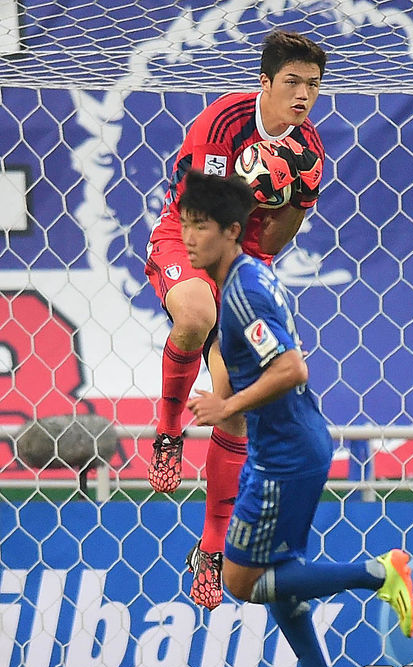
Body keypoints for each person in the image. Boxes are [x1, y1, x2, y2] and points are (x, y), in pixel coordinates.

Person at [182, 169, 413, 667]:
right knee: (278, 568)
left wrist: (226, 406)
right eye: (186, 225)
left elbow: (291, 368)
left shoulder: (243, 293)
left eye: (201, 226)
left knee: (240, 581)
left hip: (285, 455)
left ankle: (379, 573)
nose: (189, 237)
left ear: (232, 230)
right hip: (284, 444)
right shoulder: (246, 279)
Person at [145, 30, 327, 610]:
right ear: (265, 83)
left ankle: (211, 550)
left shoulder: (309, 149)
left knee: (235, 403)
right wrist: (254, 186)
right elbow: (200, 215)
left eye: (313, 85)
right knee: (196, 314)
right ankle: (168, 432)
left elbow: (273, 242)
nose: (303, 95)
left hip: (244, 264)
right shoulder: (224, 120)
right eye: (292, 82)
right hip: (189, 238)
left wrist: (292, 193)